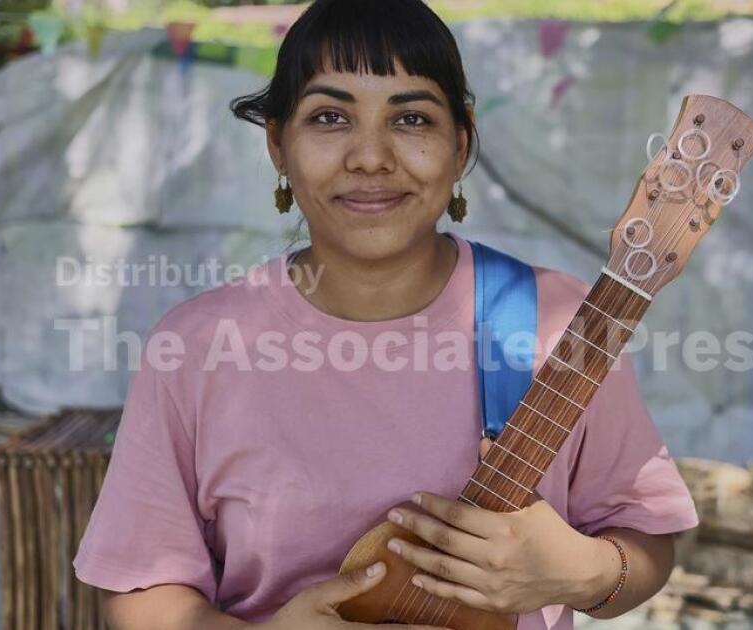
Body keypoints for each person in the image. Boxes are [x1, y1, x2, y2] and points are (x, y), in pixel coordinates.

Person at [72, 0, 699, 628]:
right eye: (329, 116)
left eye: (411, 119)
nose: (370, 157)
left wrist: (582, 573)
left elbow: (643, 540)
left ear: (460, 145)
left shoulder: (556, 321)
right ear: (277, 146)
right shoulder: (197, 347)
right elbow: (141, 588)